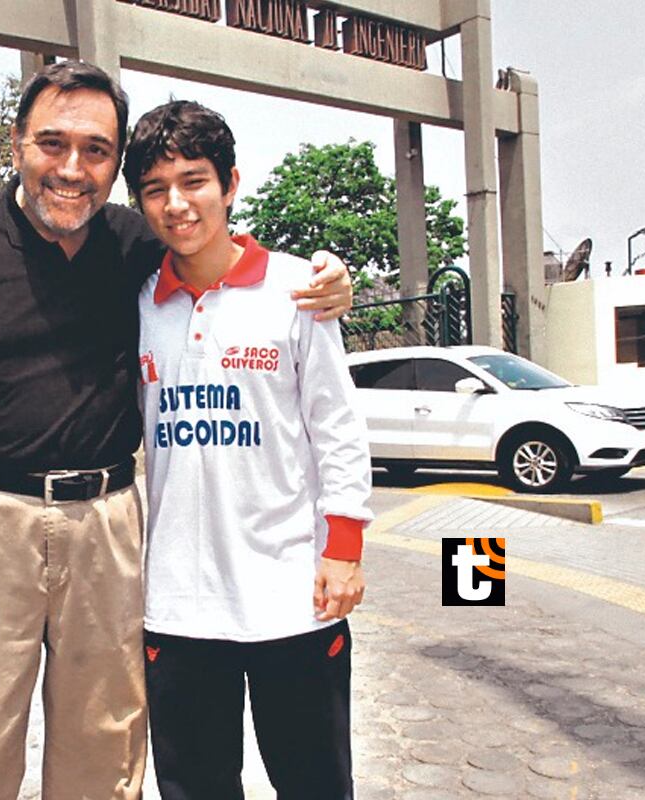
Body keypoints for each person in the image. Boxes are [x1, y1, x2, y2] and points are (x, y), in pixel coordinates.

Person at [0, 61, 353, 800]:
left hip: (108, 527)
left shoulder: (133, 243)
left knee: (105, 752)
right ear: (17, 144)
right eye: (52, 143)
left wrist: (326, 276)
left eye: (96, 150)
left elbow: (217, 245)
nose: (72, 168)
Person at [123, 100, 372, 800]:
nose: (177, 205)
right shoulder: (137, 302)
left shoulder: (297, 292)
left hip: (291, 597)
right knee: (195, 788)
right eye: (155, 189)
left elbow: (338, 427)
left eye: (194, 181)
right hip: (176, 606)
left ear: (230, 184)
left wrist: (344, 544)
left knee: (315, 783)